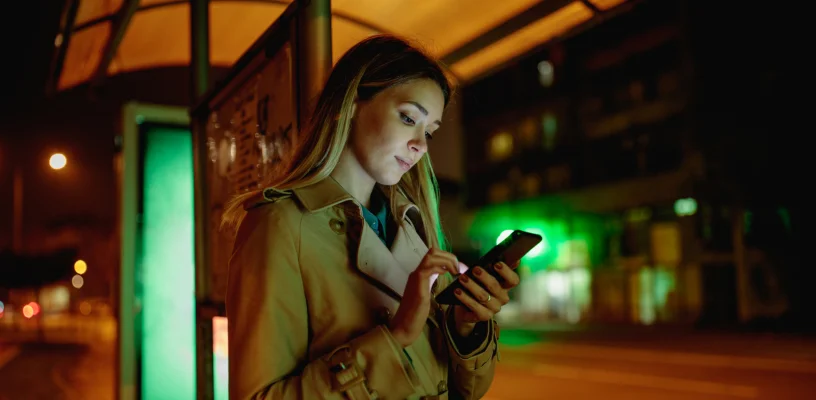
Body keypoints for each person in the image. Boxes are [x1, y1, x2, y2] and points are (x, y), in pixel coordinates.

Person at [222, 34, 520, 400]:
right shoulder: (281, 223)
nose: (421, 145)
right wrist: (394, 339)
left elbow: (462, 391)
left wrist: (466, 328)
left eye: (429, 131)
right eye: (409, 118)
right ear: (352, 103)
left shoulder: (413, 225)